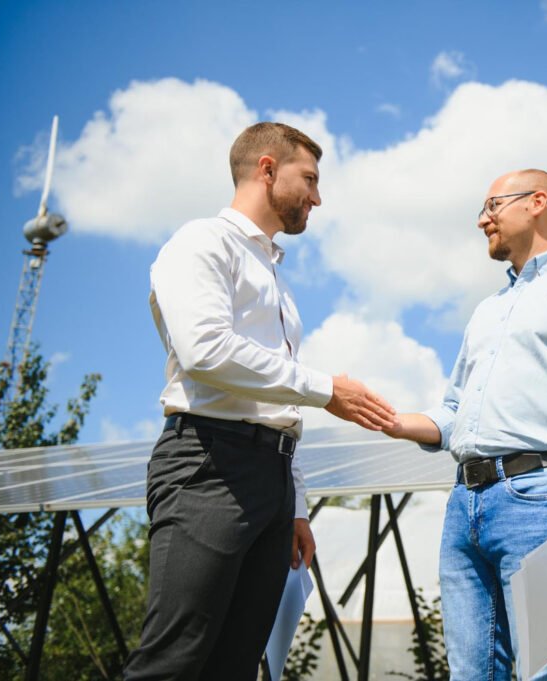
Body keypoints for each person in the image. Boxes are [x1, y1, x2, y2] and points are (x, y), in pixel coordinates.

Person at [125, 122, 396, 680]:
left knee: (236, 666)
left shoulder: (277, 279)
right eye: (311, 179)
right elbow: (205, 352)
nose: (317, 198)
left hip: (270, 481)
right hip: (208, 466)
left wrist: (294, 506)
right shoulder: (201, 243)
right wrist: (326, 389)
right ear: (267, 168)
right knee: (174, 661)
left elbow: (277, 409)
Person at [385, 169, 547, 680]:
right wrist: (395, 421)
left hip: (541, 497)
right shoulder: (488, 310)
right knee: (471, 674)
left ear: (537, 202)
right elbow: (452, 414)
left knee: (544, 671)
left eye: (491, 205)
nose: (480, 219)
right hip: (463, 507)